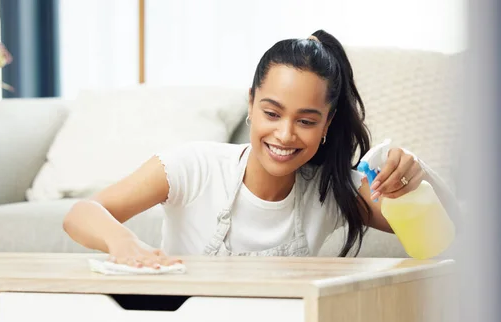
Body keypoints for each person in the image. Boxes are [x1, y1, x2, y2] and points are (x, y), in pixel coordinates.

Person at [63, 29, 458, 268]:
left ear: (328, 124)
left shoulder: (332, 190)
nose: (285, 135)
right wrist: (123, 242)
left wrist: (418, 175)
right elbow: (82, 213)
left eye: (305, 121)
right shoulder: (193, 166)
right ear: (251, 104)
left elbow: (448, 233)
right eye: (272, 113)